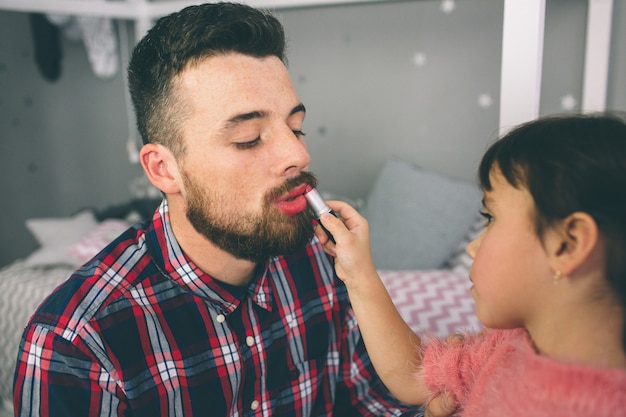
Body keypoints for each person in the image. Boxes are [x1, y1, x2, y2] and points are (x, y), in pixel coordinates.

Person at [12, 2, 455, 416]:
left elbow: (367, 403)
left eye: (295, 128)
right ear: (165, 170)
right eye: (248, 138)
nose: (298, 156)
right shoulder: (76, 343)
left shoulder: (323, 263)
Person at [317, 113, 626, 416]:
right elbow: (414, 378)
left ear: (568, 244)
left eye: (490, 219)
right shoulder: (509, 344)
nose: (473, 247)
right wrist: (359, 273)